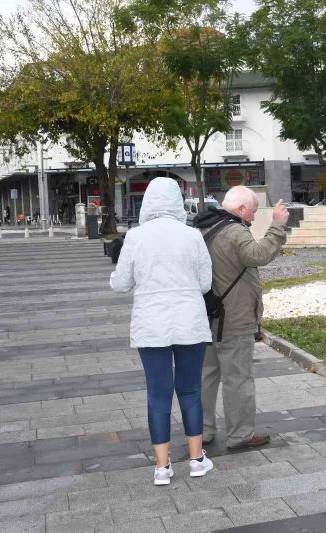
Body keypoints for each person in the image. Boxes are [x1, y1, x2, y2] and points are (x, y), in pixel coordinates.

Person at [109, 177, 215, 486]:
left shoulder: (135, 237)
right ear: (177, 201)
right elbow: (205, 283)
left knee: (157, 394)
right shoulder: (193, 236)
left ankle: (161, 467)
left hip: (151, 324)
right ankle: (196, 460)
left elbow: (122, 284)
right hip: (189, 322)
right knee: (191, 389)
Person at [195, 186, 289, 449]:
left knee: (206, 376)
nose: (254, 217)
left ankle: (201, 431)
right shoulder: (234, 231)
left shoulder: (203, 228)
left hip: (205, 315)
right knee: (238, 377)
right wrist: (277, 226)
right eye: (254, 211)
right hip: (234, 319)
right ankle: (240, 435)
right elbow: (257, 256)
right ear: (240, 209)